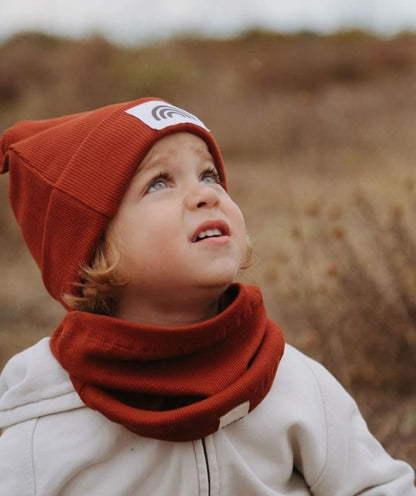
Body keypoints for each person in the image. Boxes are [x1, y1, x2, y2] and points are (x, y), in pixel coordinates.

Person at [0, 96, 414, 496]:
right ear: (94, 252)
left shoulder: (286, 376)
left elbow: (378, 487)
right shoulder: (44, 416)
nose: (207, 194)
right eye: (159, 183)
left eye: (208, 175)